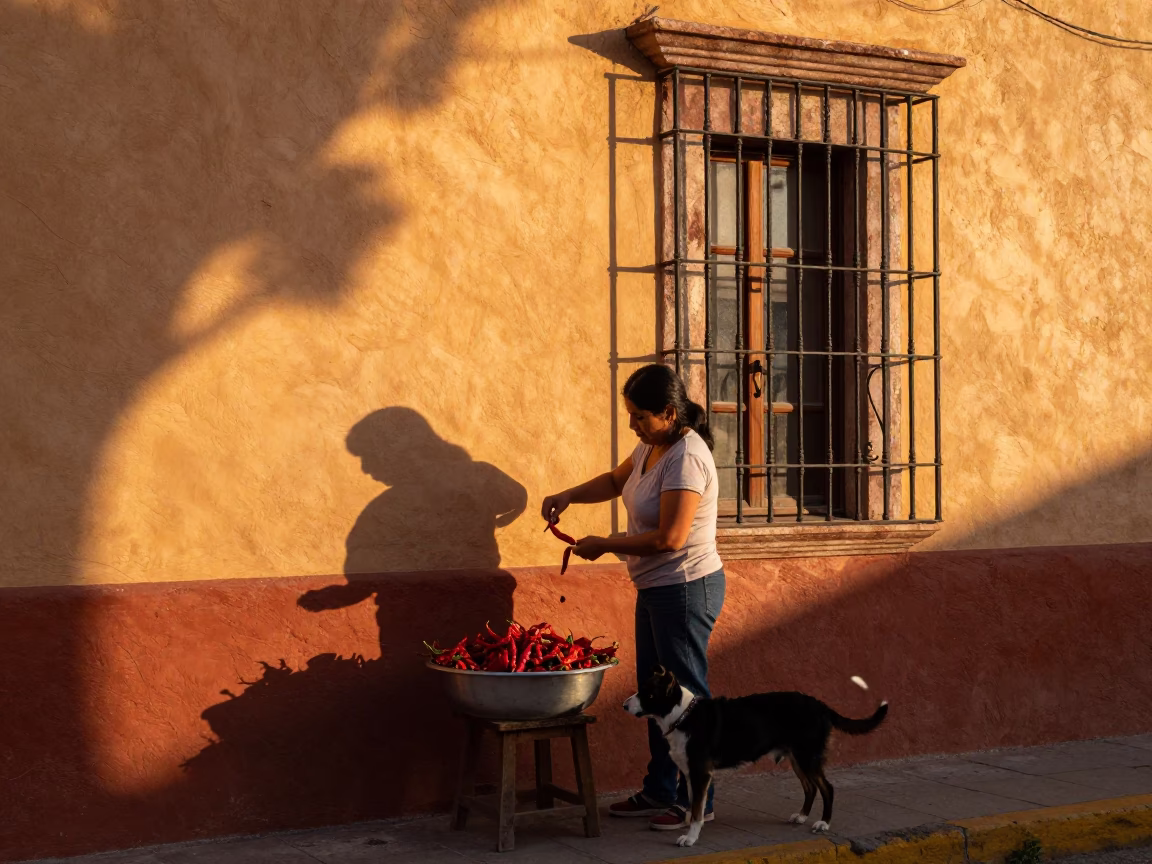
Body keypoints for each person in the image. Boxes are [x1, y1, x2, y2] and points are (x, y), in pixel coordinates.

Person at [541, 363, 726, 831]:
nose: (632, 424)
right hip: (655, 587)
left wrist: (604, 544)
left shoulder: (687, 456)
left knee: (685, 697)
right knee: (655, 693)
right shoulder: (652, 446)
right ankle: (659, 790)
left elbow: (670, 537)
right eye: (630, 415)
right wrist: (567, 495)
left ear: (668, 412)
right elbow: (613, 482)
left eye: (640, 416)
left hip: (685, 586)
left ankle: (698, 801)